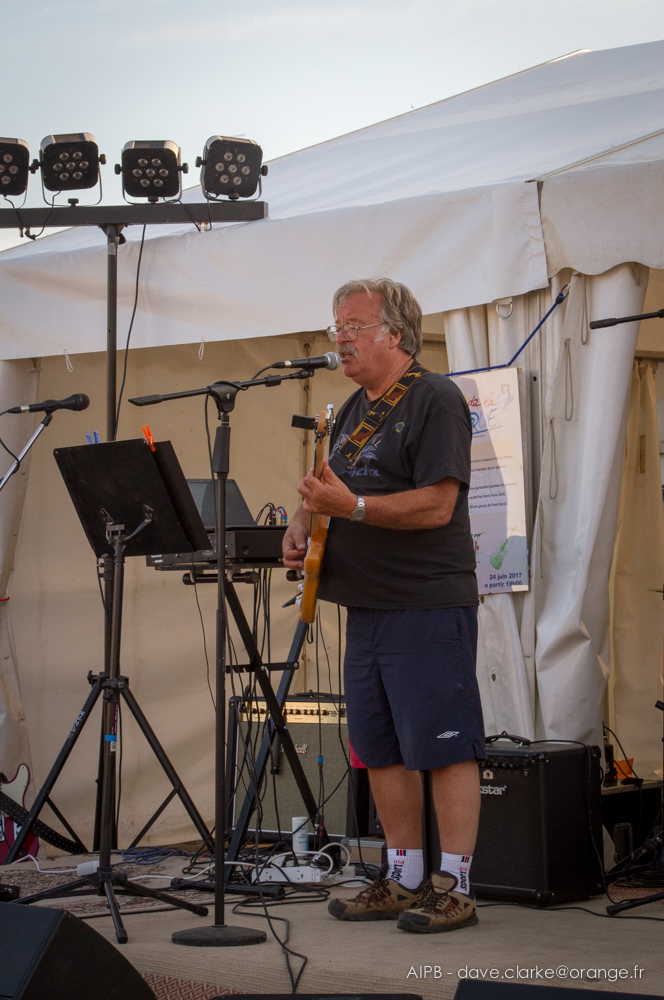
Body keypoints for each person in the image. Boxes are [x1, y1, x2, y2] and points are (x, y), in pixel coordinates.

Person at [282, 278, 483, 933]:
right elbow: (326, 488)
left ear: (395, 334)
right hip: (365, 608)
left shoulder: (435, 398)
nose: (340, 338)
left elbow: (439, 504)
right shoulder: (350, 409)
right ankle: (402, 876)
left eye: (354, 327)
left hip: (425, 605)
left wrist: (357, 508)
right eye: (336, 326)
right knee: (378, 746)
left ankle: (455, 885)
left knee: (443, 745)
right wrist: (300, 522)